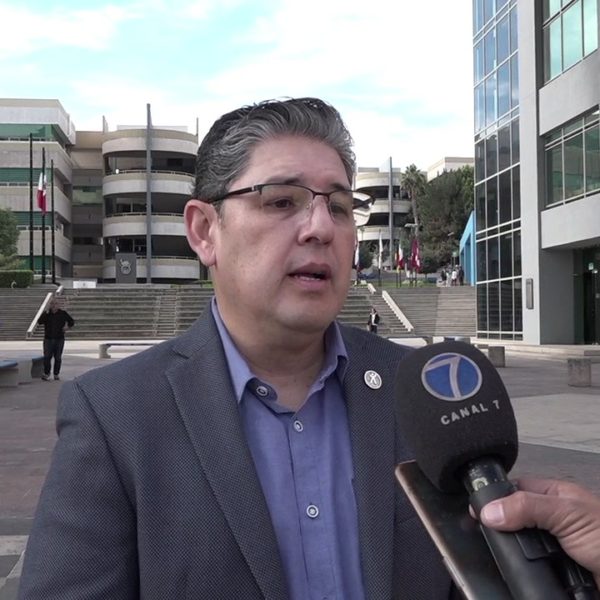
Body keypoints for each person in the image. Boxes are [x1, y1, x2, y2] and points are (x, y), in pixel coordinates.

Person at [18, 98, 600, 600]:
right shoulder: (115, 415)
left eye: (340, 207)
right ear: (204, 230)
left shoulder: (421, 395)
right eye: (281, 201)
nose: (321, 227)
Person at [36, 297, 74, 381]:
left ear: (59, 305)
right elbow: (39, 322)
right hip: (48, 339)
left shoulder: (63, 313)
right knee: (47, 357)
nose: (54, 305)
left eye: (56, 303)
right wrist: (45, 313)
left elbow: (71, 321)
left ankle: (56, 374)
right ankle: (46, 373)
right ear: (50, 305)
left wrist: (67, 327)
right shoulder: (47, 314)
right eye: (52, 303)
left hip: (59, 338)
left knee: (58, 357)